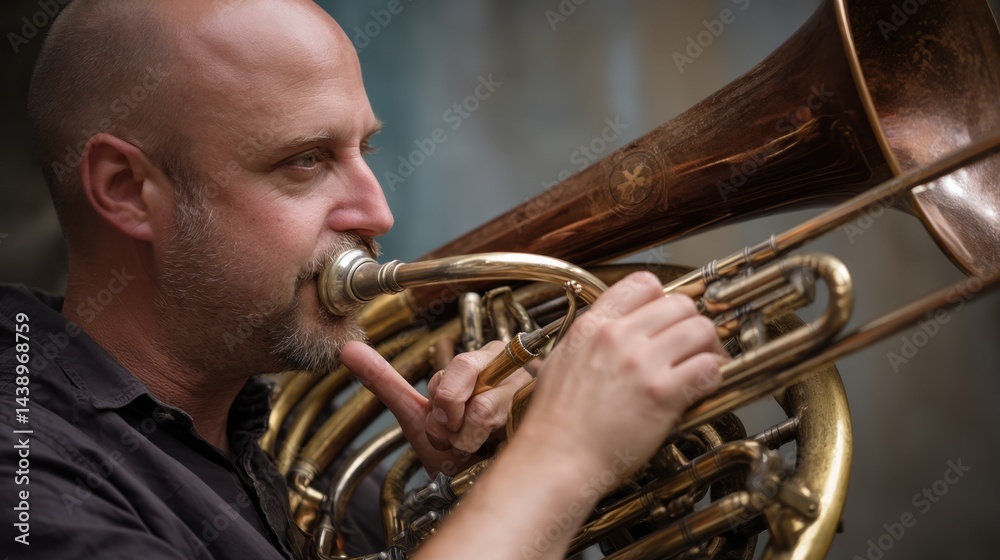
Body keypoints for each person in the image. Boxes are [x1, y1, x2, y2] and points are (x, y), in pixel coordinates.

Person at [0, 1, 725, 559]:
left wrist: (489, 485)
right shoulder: (29, 476)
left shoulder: (312, 466)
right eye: (305, 161)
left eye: (364, 149)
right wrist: (563, 457)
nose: (378, 209)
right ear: (127, 189)